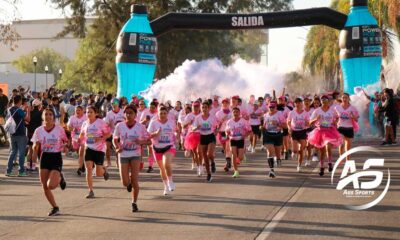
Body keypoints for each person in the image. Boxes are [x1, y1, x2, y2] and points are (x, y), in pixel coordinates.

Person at [31, 108, 68, 216]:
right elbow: (35, 143)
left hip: (56, 157)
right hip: (44, 157)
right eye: (46, 114)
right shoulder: (38, 130)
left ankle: (60, 177)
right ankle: (55, 207)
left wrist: (65, 146)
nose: (48, 116)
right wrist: (35, 147)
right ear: (43, 117)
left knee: (51, 185)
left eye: (50, 114)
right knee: (44, 186)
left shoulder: (59, 129)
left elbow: (65, 141)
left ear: (53, 117)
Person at [113, 106, 150, 212]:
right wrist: (117, 146)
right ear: (124, 114)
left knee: (134, 180)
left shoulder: (140, 127)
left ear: (135, 115)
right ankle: (128, 183)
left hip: (135, 154)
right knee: (125, 182)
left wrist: (141, 142)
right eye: (127, 113)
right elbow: (115, 139)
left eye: (131, 113)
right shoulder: (119, 126)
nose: (128, 115)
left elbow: (149, 141)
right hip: (123, 154)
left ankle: (134, 202)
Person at [79, 106, 111, 198]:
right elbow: (82, 134)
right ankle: (90, 191)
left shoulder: (101, 123)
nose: (88, 114)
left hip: (99, 149)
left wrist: (100, 138)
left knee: (98, 173)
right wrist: (79, 139)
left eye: (91, 112)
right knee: (88, 169)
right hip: (88, 148)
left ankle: (104, 170)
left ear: (96, 113)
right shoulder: (84, 123)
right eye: (87, 112)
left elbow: (108, 133)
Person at [308, 95, 343, 176]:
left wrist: (335, 122)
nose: (324, 101)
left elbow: (337, 117)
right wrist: (316, 119)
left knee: (328, 146)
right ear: (321, 102)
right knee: (322, 151)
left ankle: (330, 163)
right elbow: (310, 123)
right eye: (322, 100)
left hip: (329, 131)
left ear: (328, 101)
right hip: (320, 131)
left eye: (325, 100)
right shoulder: (317, 111)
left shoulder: (332, 110)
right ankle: (322, 167)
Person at [148, 106, 177, 195]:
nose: (163, 115)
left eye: (165, 113)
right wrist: (155, 133)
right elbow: (148, 135)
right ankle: (165, 186)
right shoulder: (153, 123)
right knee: (162, 168)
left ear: (167, 114)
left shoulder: (171, 122)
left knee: (166, 163)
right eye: (161, 113)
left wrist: (177, 138)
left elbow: (175, 132)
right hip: (157, 148)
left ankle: (170, 181)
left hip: (169, 146)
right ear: (158, 113)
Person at [5, 95, 30, 177]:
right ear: (19, 101)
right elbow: (28, 119)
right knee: (22, 153)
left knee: (13, 152)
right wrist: (28, 110)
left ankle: (8, 171)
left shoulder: (9, 109)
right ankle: (21, 171)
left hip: (12, 133)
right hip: (20, 134)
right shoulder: (19, 110)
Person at [193, 102, 218, 182]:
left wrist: (216, 130)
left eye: (205, 107)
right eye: (202, 107)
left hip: (211, 136)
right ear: (201, 108)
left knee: (209, 154)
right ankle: (208, 174)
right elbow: (193, 128)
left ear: (208, 108)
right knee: (205, 158)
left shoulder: (212, 117)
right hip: (203, 137)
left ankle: (213, 162)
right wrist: (197, 127)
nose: (204, 109)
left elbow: (217, 125)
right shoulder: (198, 118)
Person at [225, 107, 251, 178]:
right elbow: (227, 130)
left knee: (240, 157)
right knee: (233, 154)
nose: (235, 113)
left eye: (237, 112)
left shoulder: (243, 121)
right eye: (234, 112)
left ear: (239, 113)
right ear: (232, 113)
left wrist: (245, 135)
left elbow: (249, 130)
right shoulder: (229, 122)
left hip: (240, 139)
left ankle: (241, 157)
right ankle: (236, 171)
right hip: (232, 139)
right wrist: (227, 134)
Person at [263, 100, 286, 178]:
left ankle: (279, 159)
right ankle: (271, 170)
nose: (271, 108)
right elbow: (264, 125)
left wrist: (278, 124)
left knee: (277, 153)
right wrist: (262, 128)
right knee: (270, 152)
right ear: (268, 107)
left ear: (276, 107)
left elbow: (285, 126)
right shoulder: (265, 115)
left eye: (273, 107)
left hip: (277, 135)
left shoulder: (279, 114)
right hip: (268, 135)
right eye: (270, 107)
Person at [287, 97, 310, 172]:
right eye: (296, 103)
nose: (298, 104)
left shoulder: (306, 113)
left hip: (302, 131)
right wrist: (289, 128)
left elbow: (308, 123)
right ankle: (293, 152)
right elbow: (288, 122)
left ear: (302, 104)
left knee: (301, 150)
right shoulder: (291, 112)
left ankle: (299, 165)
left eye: (299, 103)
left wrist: (307, 123)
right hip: (294, 132)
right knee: (295, 150)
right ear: (295, 104)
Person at [335, 93, 359, 160]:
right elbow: (334, 117)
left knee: (348, 146)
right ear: (341, 99)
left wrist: (353, 116)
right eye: (343, 98)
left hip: (349, 128)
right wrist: (335, 120)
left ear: (349, 99)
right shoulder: (337, 107)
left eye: (346, 98)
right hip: (340, 127)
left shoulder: (353, 108)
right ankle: (340, 157)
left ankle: (347, 160)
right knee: (341, 143)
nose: (344, 99)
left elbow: (356, 120)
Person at [104, 98, 125, 168]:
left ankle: (117, 161)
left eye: (115, 103)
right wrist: (109, 124)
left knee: (117, 148)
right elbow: (105, 124)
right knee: (107, 147)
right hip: (110, 132)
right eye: (112, 104)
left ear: (118, 104)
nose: (114, 105)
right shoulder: (109, 113)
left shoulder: (123, 112)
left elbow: (127, 120)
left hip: (119, 133)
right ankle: (108, 162)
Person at [183, 101, 202, 175]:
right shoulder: (189, 116)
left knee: (199, 152)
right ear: (192, 107)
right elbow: (183, 126)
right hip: (192, 135)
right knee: (194, 153)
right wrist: (189, 123)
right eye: (194, 106)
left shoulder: (201, 115)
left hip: (201, 134)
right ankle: (198, 166)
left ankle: (200, 166)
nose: (196, 108)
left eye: (197, 106)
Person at [67, 105, 88, 175]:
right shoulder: (72, 118)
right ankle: (83, 164)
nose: (77, 111)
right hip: (75, 137)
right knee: (77, 151)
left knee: (81, 151)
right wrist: (72, 129)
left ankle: (80, 167)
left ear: (82, 111)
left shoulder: (86, 117)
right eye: (76, 110)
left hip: (84, 137)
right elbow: (68, 127)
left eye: (79, 110)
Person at [215, 98, 232, 172]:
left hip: (230, 132)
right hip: (221, 132)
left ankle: (227, 163)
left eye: (226, 103)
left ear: (229, 104)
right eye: (223, 103)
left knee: (228, 148)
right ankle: (228, 160)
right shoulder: (218, 113)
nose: (225, 104)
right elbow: (215, 123)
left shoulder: (232, 112)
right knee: (225, 148)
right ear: (221, 104)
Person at [140, 101, 158, 173]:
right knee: (150, 149)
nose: (151, 109)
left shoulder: (158, 114)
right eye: (150, 107)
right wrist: (145, 120)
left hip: (155, 134)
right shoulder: (145, 112)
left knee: (154, 149)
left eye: (153, 108)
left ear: (156, 108)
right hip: (146, 133)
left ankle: (153, 164)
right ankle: (150, 166)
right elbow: (140, 123)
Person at [26, 99, 43, 171]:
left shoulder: (29, 112)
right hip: (36, 133)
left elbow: (27, 122)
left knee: (30, 149)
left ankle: (27, 166)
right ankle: (33, 166)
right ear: (39, 105)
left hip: (29, 133)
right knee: (35, 150)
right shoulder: (40, 113)